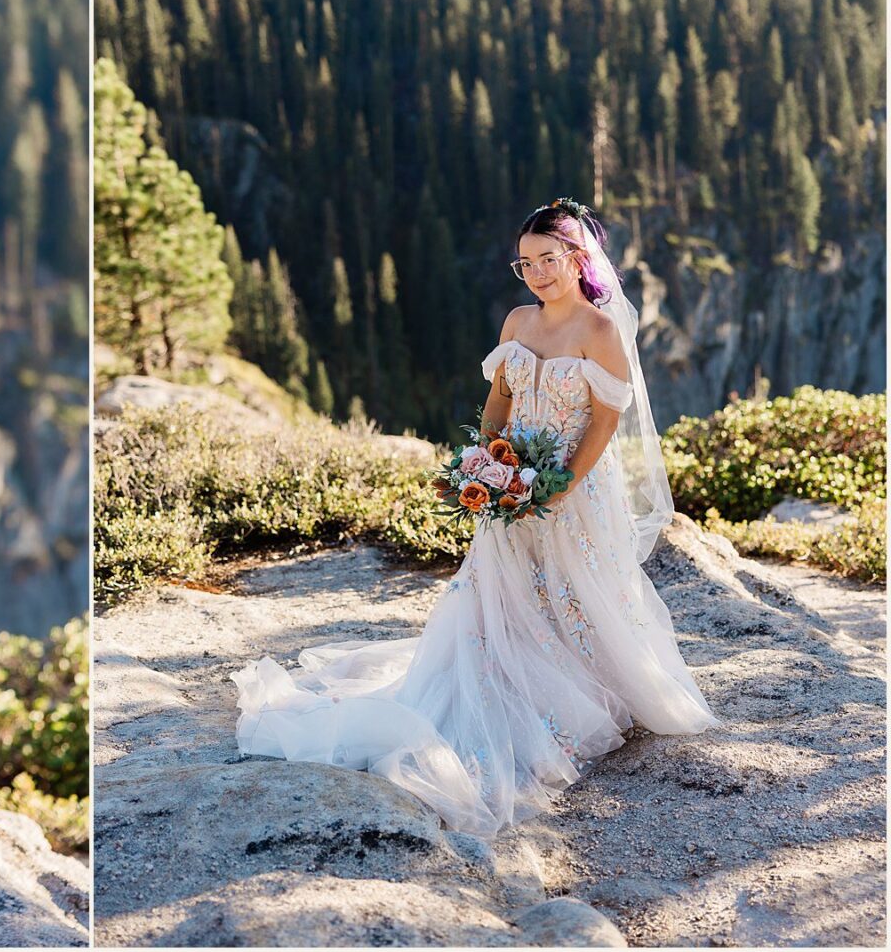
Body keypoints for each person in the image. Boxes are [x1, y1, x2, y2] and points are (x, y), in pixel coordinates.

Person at [230, 198, 718, 836]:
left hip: (571, 490)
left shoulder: (600, 331)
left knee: (575, 589)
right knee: (500, 589)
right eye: (526, 264)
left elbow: (604, 421)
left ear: (578, 257)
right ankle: (502, 672)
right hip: (510, 480)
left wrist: (561, 485)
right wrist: (487, 464)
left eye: (549, 258)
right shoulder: (518, 323)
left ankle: (584, 682)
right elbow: (499, 401)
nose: (538, 273)